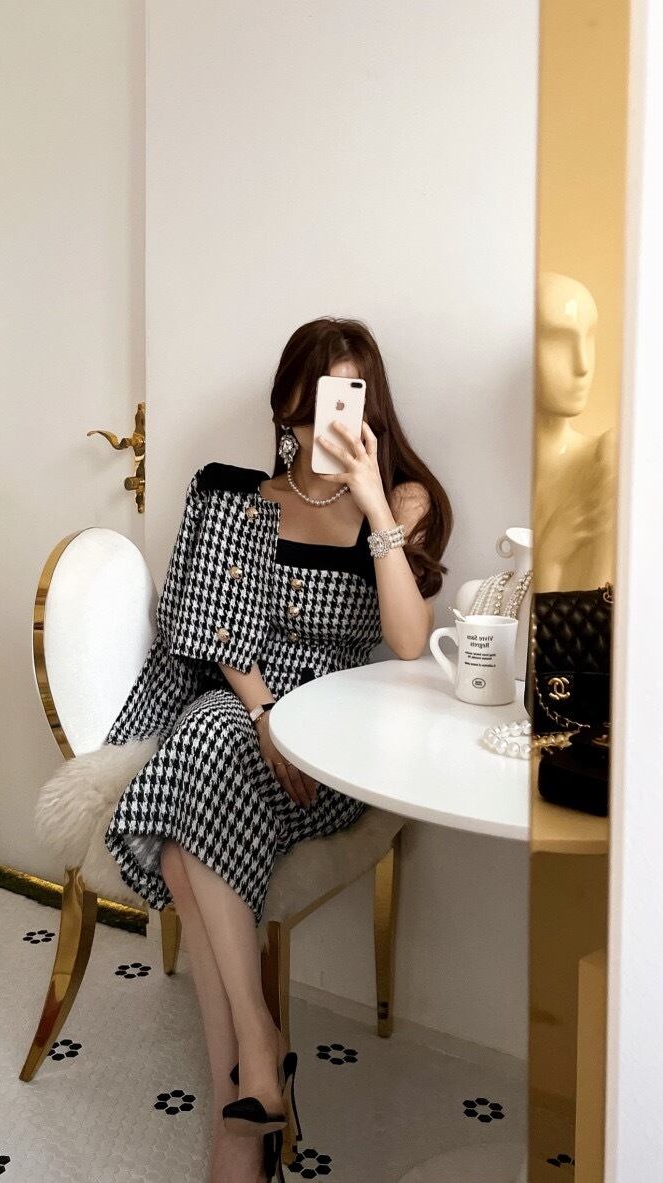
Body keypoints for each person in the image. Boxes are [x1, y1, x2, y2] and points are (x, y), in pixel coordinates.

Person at [102, 317, 452, 1182]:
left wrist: (372, 502)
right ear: (284, 411)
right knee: (209, 731)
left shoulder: (403, 499)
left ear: (369, 406)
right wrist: (262, 713)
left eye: (342, 401)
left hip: (337, 735)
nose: (319, 424)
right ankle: (254, 1070)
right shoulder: (243, 498)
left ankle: (247, 1091)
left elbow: (409, 641)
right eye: (304, 408)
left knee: (185, 840)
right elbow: (220, 633)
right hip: (248, 706)